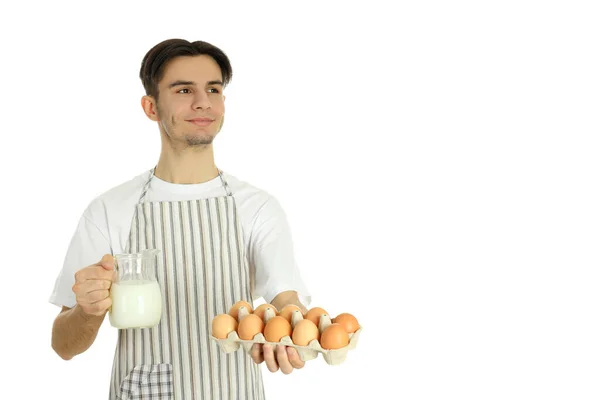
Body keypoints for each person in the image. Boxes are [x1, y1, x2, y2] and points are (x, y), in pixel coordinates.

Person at [49, 38, 312, 400]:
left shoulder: (258, 207)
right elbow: (63, 345)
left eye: (213, 89)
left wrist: (291, 325)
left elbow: (286, 298)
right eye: (184, 89)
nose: (202, 101)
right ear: (151, 107)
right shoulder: (110, 209)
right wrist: (89, 311)